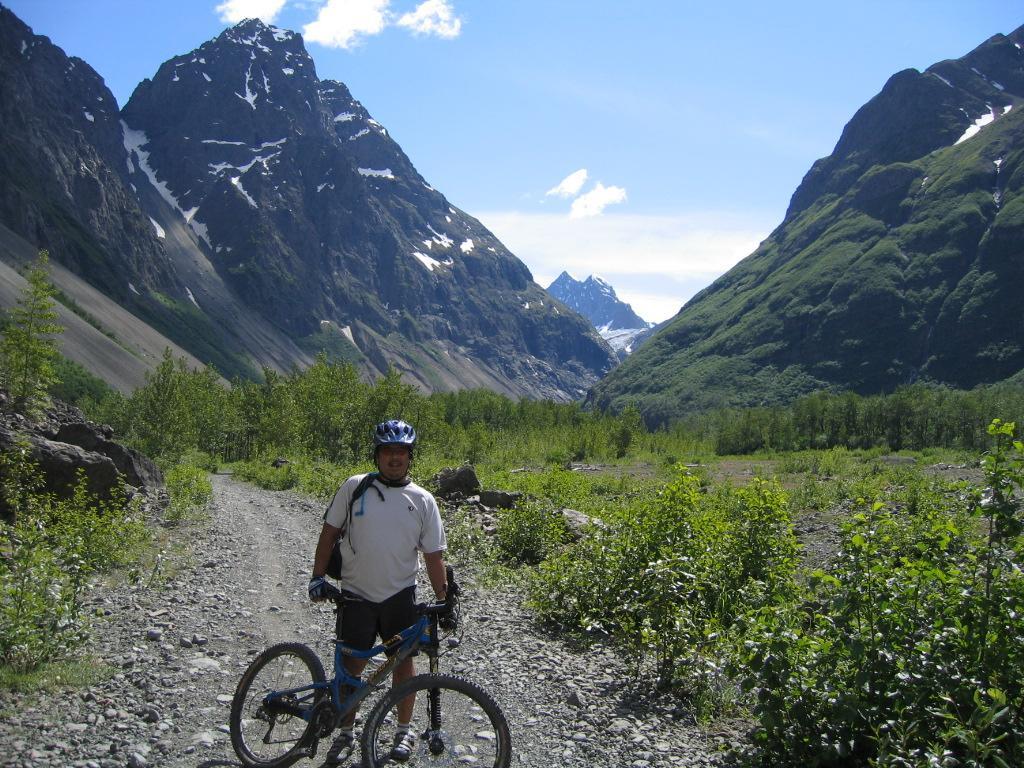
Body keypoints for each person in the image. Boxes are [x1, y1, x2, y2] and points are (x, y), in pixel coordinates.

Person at [308, 419, 449, 764]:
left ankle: (403, 732)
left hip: (399, 596)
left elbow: (433, 556)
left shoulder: (423, 500)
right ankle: (345, 733)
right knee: (351, 665)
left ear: (410, 456)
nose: (394, 457)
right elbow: (329, 533)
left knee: (402, 666)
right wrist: (317, 577)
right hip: (356, 593)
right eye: (388, 451)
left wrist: (444, 600)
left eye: (401, 451)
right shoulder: (354, 487)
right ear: (377, 455)